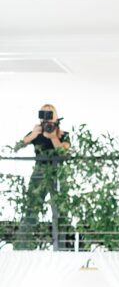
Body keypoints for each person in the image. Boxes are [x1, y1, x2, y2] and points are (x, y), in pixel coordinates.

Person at [13, 103, 71, 248]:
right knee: (31, 209)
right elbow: (16, 147)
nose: (47, 119)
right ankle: (22, 247)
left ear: (56, 117)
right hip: (38, 175)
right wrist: (33, 135)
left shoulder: (63, 135)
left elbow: (64, 153)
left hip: (58, 174)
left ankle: (62, 248)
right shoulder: (36, 133)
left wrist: (53, 137)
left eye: (50, 114)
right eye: (43, 114)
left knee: (61, 211)